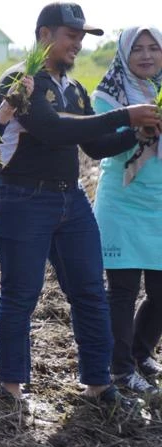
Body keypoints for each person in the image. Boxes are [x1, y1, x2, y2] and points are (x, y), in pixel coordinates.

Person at [0, 3, 162, 415]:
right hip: (22, 199)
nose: (79, 44)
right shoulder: (20, 81)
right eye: (72, 36)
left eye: (82, 37)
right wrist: (125, 114)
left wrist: (136, 133)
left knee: (89, 293)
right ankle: (10, 387)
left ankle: (99, 384)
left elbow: (94, 146)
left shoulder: (74, 88)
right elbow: (51, 129)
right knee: (21, 294)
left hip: (70, 198)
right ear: (45, 34)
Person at [92, 27, 162, 394]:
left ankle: (141, 350)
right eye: (138, 49)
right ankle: (120, 369)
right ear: (123, 55)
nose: (147, 55)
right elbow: (108, 149)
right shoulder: (108, 95)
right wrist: (141, 128)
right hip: (123, 203)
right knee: (122, 290)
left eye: (154, 48)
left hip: (159, 204)